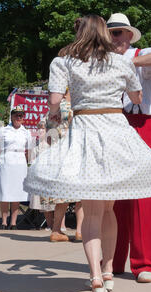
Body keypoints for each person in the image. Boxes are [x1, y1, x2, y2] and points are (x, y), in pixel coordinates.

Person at [24, 15, 151, 292]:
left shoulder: (64, 62)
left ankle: (96, 278)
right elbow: (136, 98)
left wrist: (54, 115)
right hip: (115, 132)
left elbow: (54, 102)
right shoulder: (121, 62)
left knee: (92, 212)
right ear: (104, 34)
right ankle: (109, 271)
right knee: (109, 210)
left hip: (85, 131)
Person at [107, 13, 151, 283]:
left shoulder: (140, 54)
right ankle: (112, 260)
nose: (113, 38)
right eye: (109, 33)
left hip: (143, 124)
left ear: (128, 35)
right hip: (113, 124)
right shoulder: (101, 60)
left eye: (117, 33)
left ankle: (145, 263)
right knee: (114, 195)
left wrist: (128, 62)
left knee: (145, 194)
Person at [42, 89, 84, 243]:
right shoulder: (76, 108)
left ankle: (55, 230)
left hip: (57, 155)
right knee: (81, 195)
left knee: (62, 196)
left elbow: (48, 138)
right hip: (74, 153)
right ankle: (80, 231)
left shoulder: (51, 111)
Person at [0, 106, 32, 230]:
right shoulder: (3, 130)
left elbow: (29, 150)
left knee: (16, 193)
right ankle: (4, 221)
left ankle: (13, 222)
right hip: (6, 160)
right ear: (12, 116)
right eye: (16, 115)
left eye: (21, 115)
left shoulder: (26, 132)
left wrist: (26, 160)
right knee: (4, 192)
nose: (18, 117)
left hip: (20, 161)